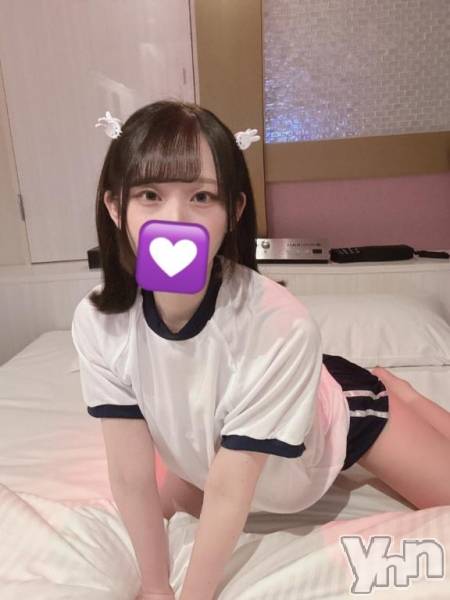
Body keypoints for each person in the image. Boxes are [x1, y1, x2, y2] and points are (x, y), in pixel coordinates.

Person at [71, 100, 450, 600]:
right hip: (231, 425)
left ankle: (398, 392)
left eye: (202, 196)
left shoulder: (280, 325)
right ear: (116, 207)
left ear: (234, 212)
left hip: (337, 412)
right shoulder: (99, 322)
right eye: (149, 195)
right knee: (162, 507)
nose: (176, 218)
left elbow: (231, 487)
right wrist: (156, 588)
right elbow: (129, 474)